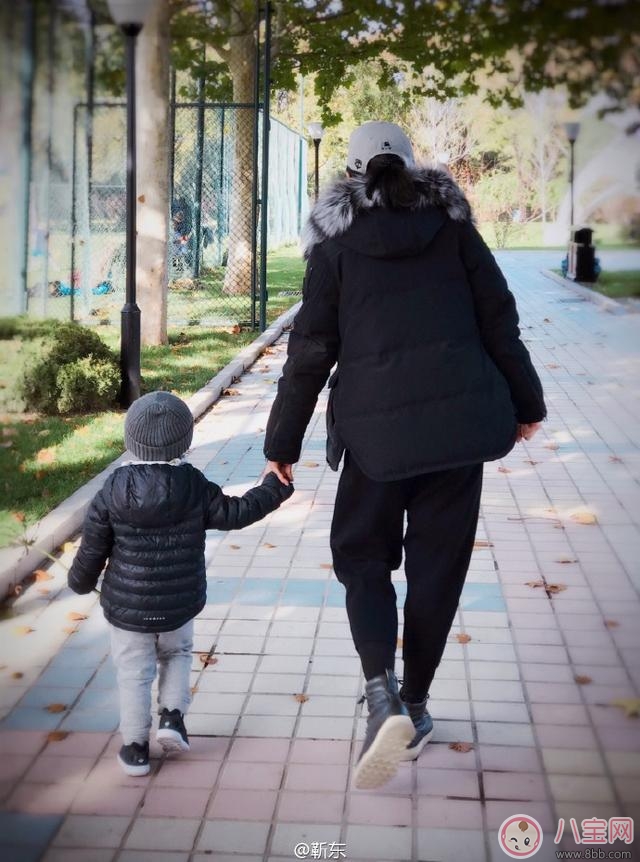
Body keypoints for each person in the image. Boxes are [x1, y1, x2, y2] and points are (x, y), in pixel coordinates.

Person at [263, 121, 546, 789]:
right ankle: (414, 705)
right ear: (413, 167)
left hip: (375, 437)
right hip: (459, 431)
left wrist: (282, 442)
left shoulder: (334, 245)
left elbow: (310, 351)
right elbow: (498, 317)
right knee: (438, 568)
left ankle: (379, 690)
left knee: (362, 556)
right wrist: (526, 403)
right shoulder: (453, 230)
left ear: (354, 172)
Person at [68, 391, 293, 776]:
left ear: (130, 439)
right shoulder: (193, 485)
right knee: (177, 655)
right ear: (184, 441)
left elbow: (93, 549)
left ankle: (136, 748)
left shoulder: (112, 489)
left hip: (128, 608)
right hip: (179, 604)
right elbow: (236, 513)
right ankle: (172, 719)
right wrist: (275, 488)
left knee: (134, 674)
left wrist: (80, 581)